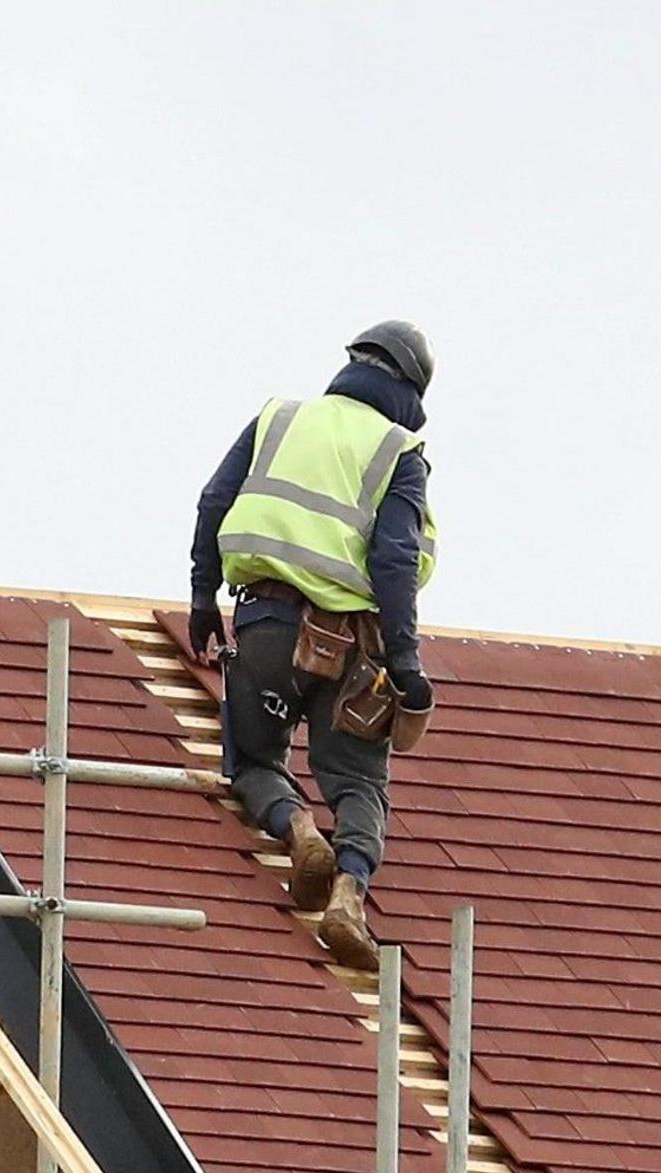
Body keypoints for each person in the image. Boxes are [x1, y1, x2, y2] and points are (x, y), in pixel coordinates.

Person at [188, 321, 441, 971]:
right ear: (410, 390)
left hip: (266, 627)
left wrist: (201, 600)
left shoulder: (279, 419)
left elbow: (215, 502)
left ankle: (300, 831)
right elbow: (394, 559)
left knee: (253, 761)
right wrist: (406, 661)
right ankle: (349, 895)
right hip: (355, 646)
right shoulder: (400, 451)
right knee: (358, 779)